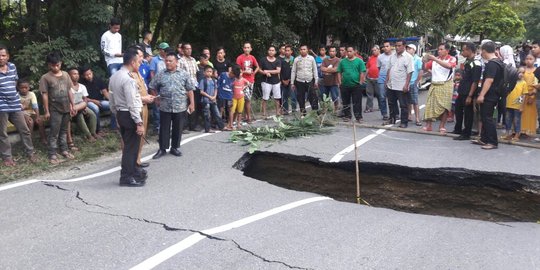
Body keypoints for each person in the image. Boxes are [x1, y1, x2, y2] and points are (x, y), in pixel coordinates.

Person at [109, 50, 147, 186]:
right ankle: (126, 177)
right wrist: (139, 122)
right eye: (138, 61)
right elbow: (132, 103)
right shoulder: (128, 79)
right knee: (131, 148)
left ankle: (134, 172)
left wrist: (116, 115)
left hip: (121, 114)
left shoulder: (114, 77)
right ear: (132, 62)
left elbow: (111, 99)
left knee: (128, 146)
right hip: (130, 115)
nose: (140, 63)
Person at [150, 52, 195, 159]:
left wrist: (192, 103)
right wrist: (156, 98)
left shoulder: (184, 74)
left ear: (176, 62)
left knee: (178, 128)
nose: (168, 63)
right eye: (166, 61)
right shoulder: (161, 74)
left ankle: (174, 147)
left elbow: (190, 89)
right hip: (165, 106)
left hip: (180, 106)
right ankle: (162, 148)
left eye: (170, 61)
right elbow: (152, 86)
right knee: (164, 128)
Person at [0, 46, 36, 166]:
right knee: (2, 133)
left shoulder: (12, 67)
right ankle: (7, 157)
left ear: (8, 56)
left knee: (24, 129)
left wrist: (16, 100)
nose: (1, 58)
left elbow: (15, 83)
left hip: (15, 104)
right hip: (1, 106)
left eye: (3, 55)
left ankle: (30, 152)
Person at [40, 52, 76, 164]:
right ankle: (52, 154)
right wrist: (46, 111)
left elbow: (69, 90)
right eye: (53, 65)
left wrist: (73, 105)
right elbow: (44, 94)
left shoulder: (65, 75)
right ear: (48, 65)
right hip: (54, 108)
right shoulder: (45, 78)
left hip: (66, 106)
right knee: (54, 132)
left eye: (58, 65)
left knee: (64, 130)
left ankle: (64, 150)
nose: (56, 67)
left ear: (61, 63)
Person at [473, 41, 504, 150]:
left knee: (487, 118)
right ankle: (484, 139)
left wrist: (481, 95)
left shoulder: (492, 64)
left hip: (490, 95)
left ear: (484, 51)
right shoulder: (499, 62)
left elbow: (489, 80)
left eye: (481, 51)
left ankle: (492, 142)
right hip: (495, 93)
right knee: (485, 116)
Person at [422, 43, 457, 134]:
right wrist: (424, 60)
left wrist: (435, 59)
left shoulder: (452, 58)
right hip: (434, 84)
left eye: (441, 49)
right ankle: (428, 125)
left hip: (446, 85)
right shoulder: (434, 60)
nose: (439, 51)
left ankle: (442, 126)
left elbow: (449, 66)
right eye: (439, 49)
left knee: (444, 106)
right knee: (430, 105)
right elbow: (425, 68)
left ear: (447, 51)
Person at [130, 46, 155, 168]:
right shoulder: (127, 75)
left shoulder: (139, 71)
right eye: (139, 57)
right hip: (134, 108)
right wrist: (143, 98)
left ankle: (137, 159)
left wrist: (147, 97)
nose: (141, 59)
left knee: (142, 134)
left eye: (141, 56)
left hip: (143, 106)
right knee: (133, 135)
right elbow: (127, 98)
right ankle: (130, 161)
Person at [453, 42, 482, 141]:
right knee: (458, 110)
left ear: (469, 50)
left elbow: (475, 81)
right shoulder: (467, 62)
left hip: (468, 92)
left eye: (464, 50)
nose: (462, 52)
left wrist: (470, 96)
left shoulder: (476, 63)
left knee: (468, 113)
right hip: (462, 90)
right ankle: (458, 129)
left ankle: (467, 133)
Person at [385, 40, 413, 128]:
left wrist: (406, 85)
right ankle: (392, 119)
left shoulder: (408, 57)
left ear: (404, 46)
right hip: (391, 85)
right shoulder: (392, 56)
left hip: (401, 86)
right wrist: (386, 81)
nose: (397, 47)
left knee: (403, 105)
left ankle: (404, 122)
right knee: (391, 103)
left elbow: (410, 72)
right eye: (396, 45)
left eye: (399, 45)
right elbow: (389, 69)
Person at [80, 66, 115, 134]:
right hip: (88, 102)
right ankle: (98, 130)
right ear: (83, 76)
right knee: (95, 109)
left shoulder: (98, 80)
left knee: (113, 105)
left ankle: (114, 127)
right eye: (86, 75)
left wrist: (111, 100)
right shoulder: (81, 83)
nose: (89, 76)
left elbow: (105, 92)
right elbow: (83, 98)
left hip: (100, 101)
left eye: (90, 74)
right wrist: (93, 101)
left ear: (92, 72)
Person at [67, 67, 98, 143]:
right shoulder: (67, 88)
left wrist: (82, 107)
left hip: (81, 106)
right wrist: (75, 108)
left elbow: (85, 100)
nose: (76, 75)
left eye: (77, 74)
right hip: (72, 110)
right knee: (79, 116)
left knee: (92, 114)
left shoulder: (82, 86)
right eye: (74, 74)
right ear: (69, 75)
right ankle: (88, 136)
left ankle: (93, 133)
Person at [337, 46, 367, 122]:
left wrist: (360, 82)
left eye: (351, 51)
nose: (349, 53)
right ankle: (347, 116)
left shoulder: (359, 61)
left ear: (354, 51)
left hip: (356, 85)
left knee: (357, 102)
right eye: (348, 51)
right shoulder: (342, 61)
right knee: (346, 102)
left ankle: (358, 117)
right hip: (345, 85)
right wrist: (340, 82)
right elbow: (339, 72)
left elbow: (362, 71)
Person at [178, 43, 201, 131]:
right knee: (185, 106)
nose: (189, 50)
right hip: (185, 88)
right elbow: (179, 75)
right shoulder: (180, 61)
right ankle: (184, 126)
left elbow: (196, 73)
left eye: (190, 49)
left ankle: (193, 125)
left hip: (194, 86)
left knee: (193, 105)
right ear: (183, 50)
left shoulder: (193, 60)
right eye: (187, 49)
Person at [291, 45, 319, 117]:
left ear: (307, 50)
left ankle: (315, 112)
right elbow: (293, 71)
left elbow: (315, 69)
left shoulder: (311, 58)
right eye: (301, 49)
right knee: (300, 98)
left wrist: (316, 81)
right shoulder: (296, 59)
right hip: (299, 81)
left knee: (313, 97)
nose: (302, 51)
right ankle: (303, 113)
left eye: (304, 49)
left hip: (309, 80)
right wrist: (292, 83)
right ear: (299, 51)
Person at [18, 79, 47, 145]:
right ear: (18, 88)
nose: (24, 89)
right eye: (22, 88)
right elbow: (19, 109)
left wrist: (37, 116)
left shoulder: (31, 94)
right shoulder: (17, 96)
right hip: (22, 114)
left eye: (26, 88)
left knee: (40, 121)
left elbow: (35, 106)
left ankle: (43, 139)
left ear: (29, 87)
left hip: (32, 112)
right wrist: (24, 114)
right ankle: (29, 141)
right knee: (30, 122)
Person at [502, 67, 527, 141]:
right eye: (520, 72)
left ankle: (517, 135)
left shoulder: (523, 83)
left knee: (516, 120)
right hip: (508, 104)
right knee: (507, 119)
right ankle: (508, 134)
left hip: (517, 105)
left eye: (523, 73)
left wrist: (522, 106)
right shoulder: (510, 81)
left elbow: (524, 95)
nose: (521, 74)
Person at [236, 42, 259, 123]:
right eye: (245, 47)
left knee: (248, 99)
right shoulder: (239, 58)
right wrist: (246, 71)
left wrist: (253, 73)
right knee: (242, 98)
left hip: (250, 81)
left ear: (251, 49)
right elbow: (237, 70)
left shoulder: (252, 57)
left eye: (248, 47)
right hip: (242, 81)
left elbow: (257, 67)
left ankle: (247, 116)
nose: (246, 49)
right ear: (243, 49)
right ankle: (246, 117)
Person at [259, 46, 282, 118]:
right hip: (266, 81)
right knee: (265, 97)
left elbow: (278, 71)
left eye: (273, 50)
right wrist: (264, 73)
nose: (271, 52)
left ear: (275, 52)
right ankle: (264, 113)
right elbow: (259, 69)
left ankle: (277, 112)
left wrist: (268, 71)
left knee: (277, 98)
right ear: (268, 51)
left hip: (276, 81)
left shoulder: (278, 61)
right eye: (270, 50)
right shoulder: (263, 60)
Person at [200, 66, 225, 132]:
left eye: (210, 72)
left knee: (217, 113)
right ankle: (207, 128)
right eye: (207, 71)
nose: (209, 73)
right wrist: (209, 97)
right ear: (204, 72)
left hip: (213, 100)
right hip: (206, 100)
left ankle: (221, 126)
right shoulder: (203, 81)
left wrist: (214, 96)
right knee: (207, 114)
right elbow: (201, 91)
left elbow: (216, 89)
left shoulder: (214, 80)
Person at [406, 44, 423, 126]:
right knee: (408, 101)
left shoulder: (417, 59)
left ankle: (417, 118)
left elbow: (420, 71)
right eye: (407, 48)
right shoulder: (406, 58)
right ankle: (409, 115)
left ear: (414, 50)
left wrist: (417, 81)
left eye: (409, 49)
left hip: (413, 82)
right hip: (406, 82)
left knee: (415, 101)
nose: (408, 50)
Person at [521, 54, 538, 137]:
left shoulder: (537, 71)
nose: (528, 60)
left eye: (531, 59)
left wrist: (532, 96)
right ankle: (520, 130)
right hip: (522, 94)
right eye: (527, 58)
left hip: (531, 94)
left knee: (530, 113)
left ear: (534, 60)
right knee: (521, 112)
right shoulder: (522, 70)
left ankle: (528, 130)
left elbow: (537, 83)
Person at [320, 46, 341, 112]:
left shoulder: (338, 60)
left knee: (335, 97)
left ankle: (336, 109)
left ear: (336, 52)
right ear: (328, 52)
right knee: (324, 97)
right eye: (330, 51)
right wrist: (330, 70)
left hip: (334, 82)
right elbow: (321, 68)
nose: (331, 53)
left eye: (333, 51)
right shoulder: (325, 59)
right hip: (325, 82)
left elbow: (336, 69)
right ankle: (324, 110)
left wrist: (326, 70)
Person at [377, 41, 393, 120]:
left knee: (392, 97)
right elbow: (379, 68)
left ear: (391, 47)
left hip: (393, 78)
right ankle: (384, 114)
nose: (385, 48)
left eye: (387, 46)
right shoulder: (380, 57)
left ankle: (393, 113)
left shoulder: (394, 55)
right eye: (384, 46)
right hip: (382, 78)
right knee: (382, 97)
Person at [230, 65, 249, 130]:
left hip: (241, 97)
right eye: (239, 72)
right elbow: (230, 86)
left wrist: (243, 88)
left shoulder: (243, 79)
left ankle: (238, 123)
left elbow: (248, 83)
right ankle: (231, 123)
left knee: (240, 111)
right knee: (232, 110)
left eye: (241, 72)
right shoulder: (234, 80)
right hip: (234, 97)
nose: (240, 74)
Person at [280, 44, 296, 115]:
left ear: (291, 51)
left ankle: (294, 110)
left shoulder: (294, 60)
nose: (286, 52)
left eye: (288, 51)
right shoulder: (281, 60)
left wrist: (289, 80)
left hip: (292, 81)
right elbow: (280, 71)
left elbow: (295, 71)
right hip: (283, 81)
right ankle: (285, 110)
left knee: (293, 96)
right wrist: (282, 80)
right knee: (284, 96)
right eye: (285, 50)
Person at [365, 45, 380, 113]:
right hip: (370, 78)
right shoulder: (371, 58)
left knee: (379, 94)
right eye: (373, 50)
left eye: (375, 50)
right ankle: (369, 108)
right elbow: (367, 68)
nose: (373, 52)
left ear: (379, 50)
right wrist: (365, 76)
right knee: (369, 94)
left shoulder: (381, 57)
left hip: (378, 79)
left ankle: (381, 107)